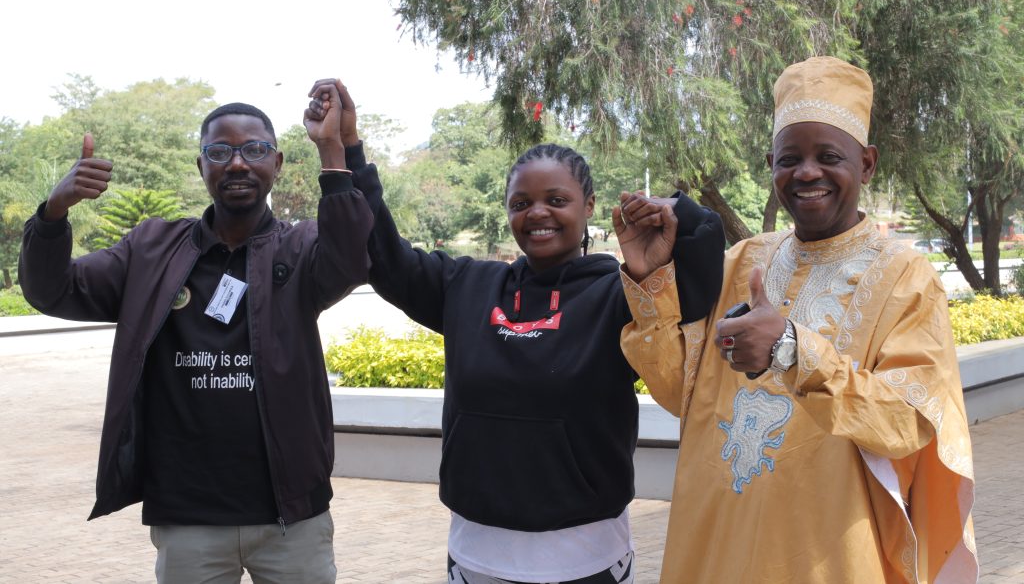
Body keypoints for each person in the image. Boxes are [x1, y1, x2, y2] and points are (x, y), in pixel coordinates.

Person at [306, 81, 724, 584]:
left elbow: (699, 296)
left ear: (588, 206)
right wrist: (345, 148)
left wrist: (681, 214)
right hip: (477, 554)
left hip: (586, 557)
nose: (537, 213)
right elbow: (383, 258)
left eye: (556, 199)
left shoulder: (620, 294)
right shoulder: (466, 286)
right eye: (521, 202)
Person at [617, 56, 977, 583]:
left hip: (830, 552)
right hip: (718, 542)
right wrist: (649, 280)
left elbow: (910, 423)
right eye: (790, 158)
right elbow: (680, 394)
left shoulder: (906, 276)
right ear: (771, 165)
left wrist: (792, 349)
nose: (806, 172)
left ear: (868, 163)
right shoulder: (742, 261)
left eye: (828, 156)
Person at [19, 81, 372, 583]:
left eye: (255, 149)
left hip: (290, 514)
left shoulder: (301, 249)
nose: (237, 163)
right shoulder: (153, 249)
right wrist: (52, 215)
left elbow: (352, 257)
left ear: (278, 164)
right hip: (188, 515)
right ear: (200, 165)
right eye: (219, 151)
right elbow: (54, 290)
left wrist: (332, 148)